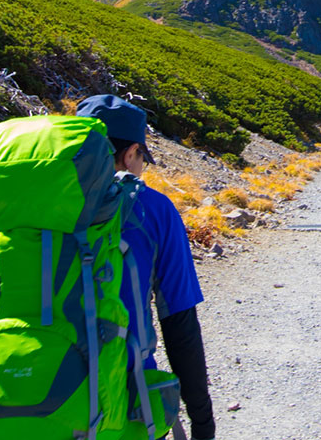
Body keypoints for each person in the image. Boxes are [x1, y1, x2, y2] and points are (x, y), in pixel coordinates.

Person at [77, 95, 216, 440]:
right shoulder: (152, 208)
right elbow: (179, 322)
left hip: (15, 403)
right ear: (129, 154)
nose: (142, 168)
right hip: (119, 408)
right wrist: (203, 423)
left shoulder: (21, 206)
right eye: (142, 158)